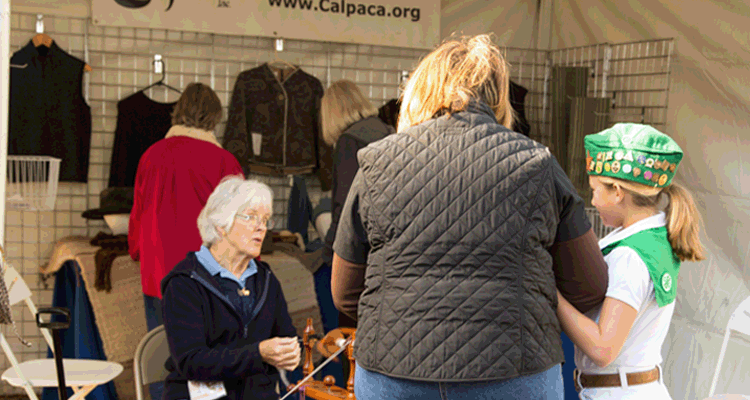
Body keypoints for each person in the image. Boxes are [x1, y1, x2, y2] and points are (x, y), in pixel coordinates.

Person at [331, 34, 609, 400]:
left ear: (421, 89)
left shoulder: (377, 162)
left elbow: (345, 293)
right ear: (499, 96)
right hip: (514, 368)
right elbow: (589, 285)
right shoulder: (536, 163)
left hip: (394, 370)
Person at [556, 123, 705, 399]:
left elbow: (603, 348)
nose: (593, 200)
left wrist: (550, 295)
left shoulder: (630, 255)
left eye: (595, 190)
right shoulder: (656, 239)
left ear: (617, 191)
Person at [161, 176, 300, 400]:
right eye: (251, 217)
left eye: (266, 220)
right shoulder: (185, 282)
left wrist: (294, 351)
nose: (261, 227)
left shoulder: (265, 279)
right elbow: (191, 362)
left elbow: (287, 336)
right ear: (221, 226)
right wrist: (259, 353)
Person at [129, 82, 244, 331]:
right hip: (207, 274)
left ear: (178, 111)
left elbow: (138, 212)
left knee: (160, 351)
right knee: (206, 355)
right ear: (215, 117)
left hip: (158, 269)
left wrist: (137, 251)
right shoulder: (225, 161)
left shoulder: (151, 155)